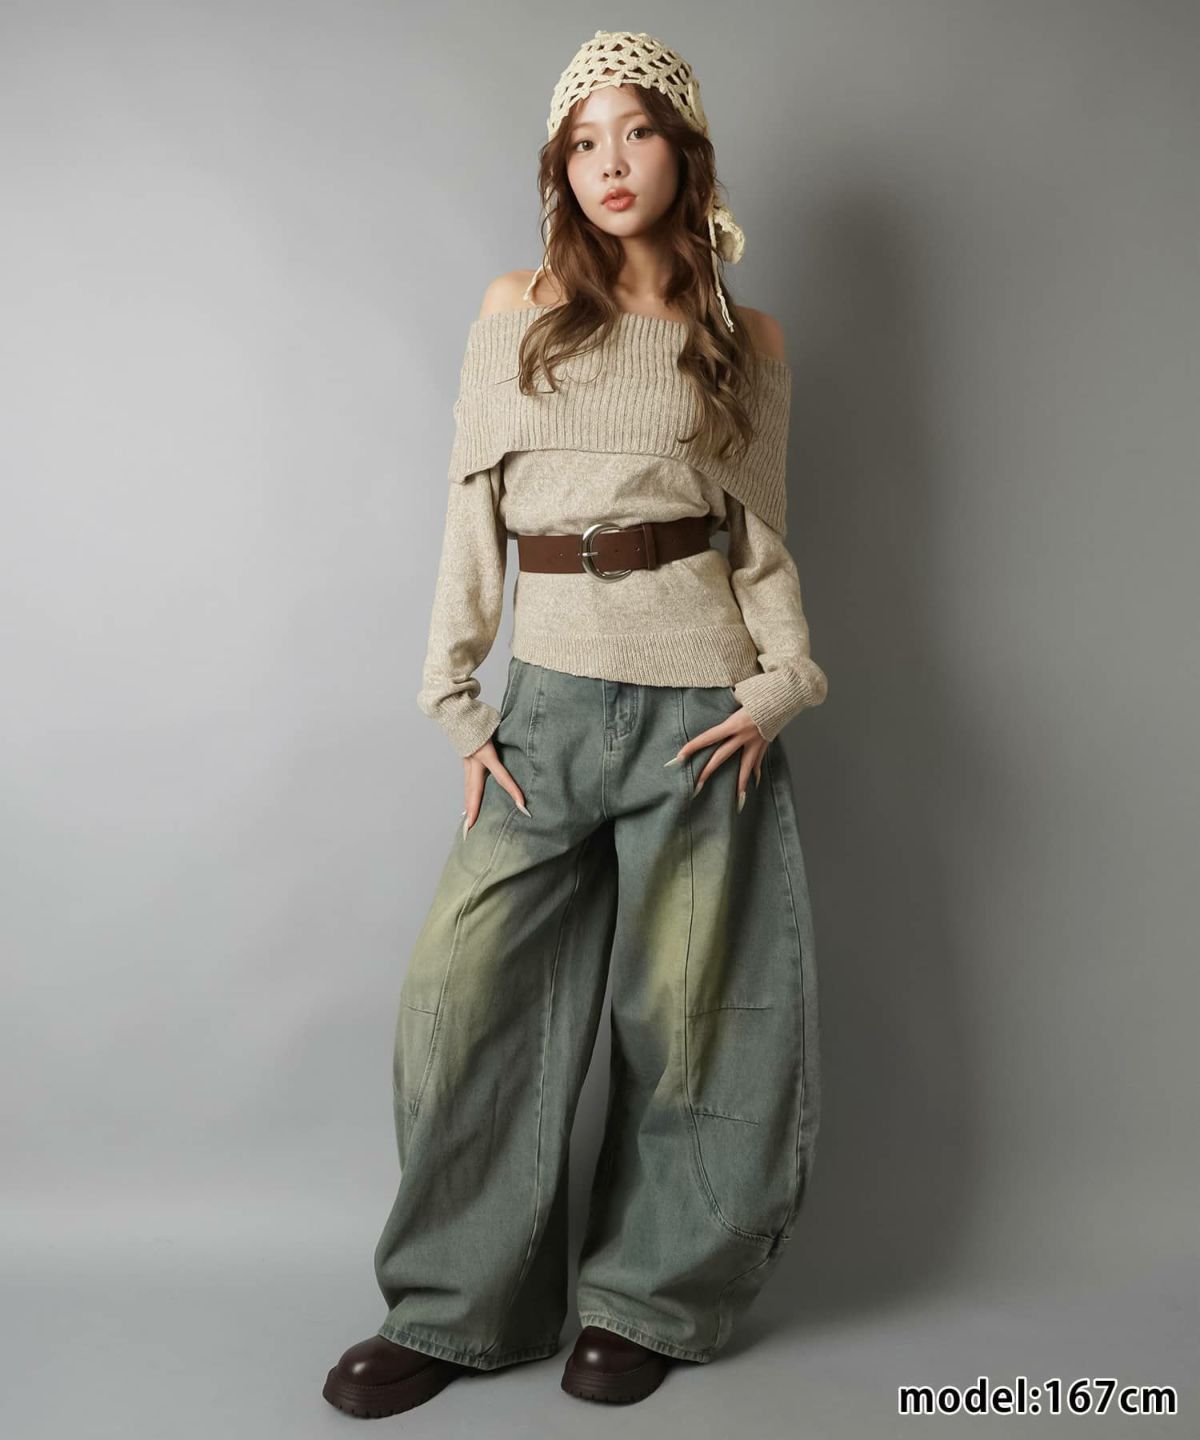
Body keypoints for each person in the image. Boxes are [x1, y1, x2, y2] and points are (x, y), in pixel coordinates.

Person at [322, 29, 827, 1417]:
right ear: (561, 165)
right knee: (466, 1003)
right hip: (543, 705)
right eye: (585, 140)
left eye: (638, 131)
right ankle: (456, 1309)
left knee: (698, 1015)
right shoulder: (519, 308)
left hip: (701, 710)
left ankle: (650, 1298)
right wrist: (456, 702)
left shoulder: (746, 342)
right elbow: (469, 523)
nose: (612, 162)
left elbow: (760, 547)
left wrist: (782, 684)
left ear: (685, 151)